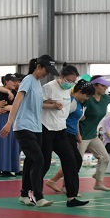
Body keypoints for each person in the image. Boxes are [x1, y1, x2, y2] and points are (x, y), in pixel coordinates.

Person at [0, 55, 59, 207]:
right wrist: (9, 122)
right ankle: (38, 196)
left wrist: (52, 105)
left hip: (36, 128)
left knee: (30, 161)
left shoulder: (38, 84)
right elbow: (17, 100)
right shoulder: (28, 80)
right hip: (23, 126)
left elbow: (37, 104)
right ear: (38, 67)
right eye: (46, 70)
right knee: (39, 159)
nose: (47, 74)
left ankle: (24, 194)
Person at [40, 65, 86, 205]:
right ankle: (31, 191)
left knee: (71, 161)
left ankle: (71, 197)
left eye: (73, 81)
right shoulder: (49, 87)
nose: (70, 83)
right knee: (44, 163)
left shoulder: (68, 90)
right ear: (60, 76)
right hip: (46, 129)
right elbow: (38, 104)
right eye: (68, 80)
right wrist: (52, 105)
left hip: (61, 130)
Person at [45, 79, 93, 206]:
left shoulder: (79, 103)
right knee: (71, 161)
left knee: (75, 161)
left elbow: (75, 120)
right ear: (80, 92)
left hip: (71, 135)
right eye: (87, 96)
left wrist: (78, 134)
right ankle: (33, 190)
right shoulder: (71, 102)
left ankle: (69, 192)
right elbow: (62, 117)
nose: (87, 98)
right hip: (63, 134)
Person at [70, 76, 110, 191]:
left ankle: (98, 183)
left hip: (93, 135)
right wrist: (78, 133)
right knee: (76, 163)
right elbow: (76, 115)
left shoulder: (106, 99)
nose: (105, 88)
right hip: (82, 135)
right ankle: (66, 186)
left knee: (104, 158)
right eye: (102, 85)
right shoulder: (87, 99)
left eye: (106, 86)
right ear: (94, 85)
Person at [0, 74, 20, 177]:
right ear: (6, 81)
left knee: (13, 143)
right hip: (3, 117)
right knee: (2, 142)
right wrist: (7, 92)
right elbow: (1, 105)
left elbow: (19, 106)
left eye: (16, 81)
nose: (15, 83)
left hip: (13, 119)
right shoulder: (1, 92)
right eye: (12, 81)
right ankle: (0, 169)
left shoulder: (16, 93)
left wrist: (11, 107)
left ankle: (10, 168)